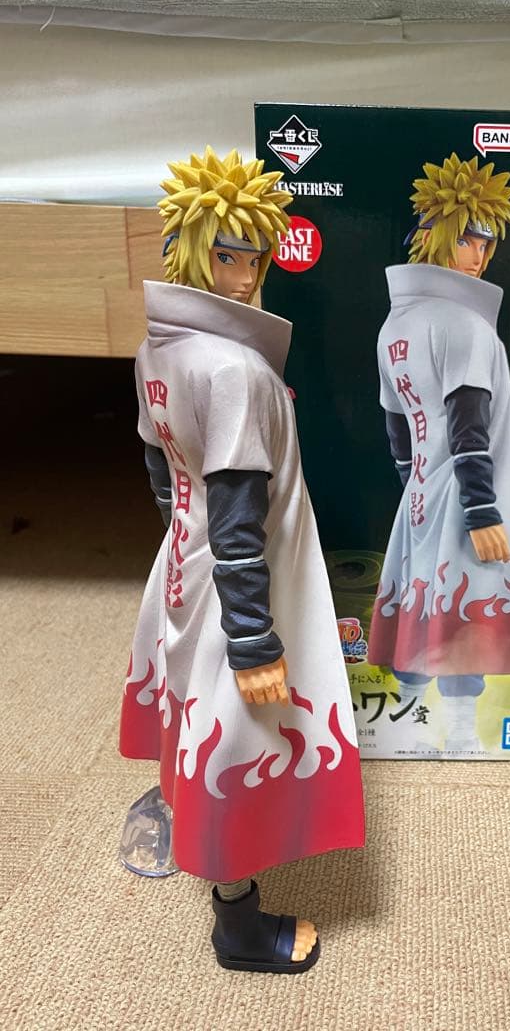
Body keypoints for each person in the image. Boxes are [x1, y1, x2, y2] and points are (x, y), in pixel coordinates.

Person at [121, 146, 365, 972]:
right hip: (239, 579)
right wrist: (255, 637)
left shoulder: (156, 352)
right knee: (240, 735)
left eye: (256, 256)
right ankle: (239, 928)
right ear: (191, 250)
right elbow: (235, 513)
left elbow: (163, 475)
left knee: (200, 716)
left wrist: (181, 547)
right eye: (229, 254)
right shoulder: (234, 368)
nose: (247, 273)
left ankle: (191, 826)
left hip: (188, 569)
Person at [368, 153, 510, 754]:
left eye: (484, 244)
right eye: (466, 241)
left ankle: (410, 727)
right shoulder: (464, 324)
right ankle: (453, 732)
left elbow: (396, 425)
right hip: (464, 489)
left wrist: (413, 483)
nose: (476, 256)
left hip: (423, 490)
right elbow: (468, 421)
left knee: (424, 602)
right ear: (432, 237)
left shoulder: (393, 327)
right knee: (464, 606)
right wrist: (481, 508)